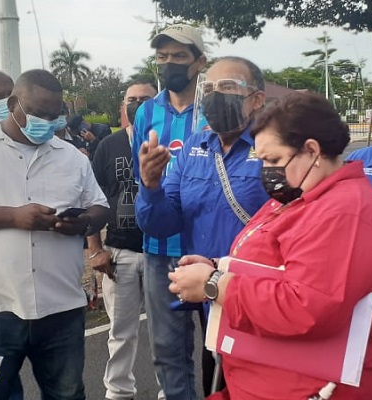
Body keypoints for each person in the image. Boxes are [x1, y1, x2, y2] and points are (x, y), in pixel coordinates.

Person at [168, 92, 372, 400]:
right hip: (267, 379)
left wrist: (214, 284)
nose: (266, 171)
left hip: (309, 387)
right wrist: (218, 266)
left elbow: (306, 306)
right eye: (262, 160)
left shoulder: (345, 210)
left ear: (312, 150)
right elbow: (276, 265)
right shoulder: (298, 198)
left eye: (274, 160)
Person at [0, 69, 110, 400]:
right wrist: (13, 216)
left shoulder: (70, 156)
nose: (46, 122)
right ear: (13, 103)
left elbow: (99, 206)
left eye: (54, 117)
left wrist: (82, 223)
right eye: (38, 113)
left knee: (67, 394)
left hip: (62, 308)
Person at [136, 56, 270, 394]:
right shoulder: (196, 146)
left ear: (256, 99)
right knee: (217, 375)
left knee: (262, 382)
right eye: (208, 88)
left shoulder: (275, 149)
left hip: (260, 296)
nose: (214, 95)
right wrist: (150, 187)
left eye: (227, 87)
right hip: (211, 296)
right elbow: (162, 224)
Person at [130, 24, 207, 400]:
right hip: (161, 250)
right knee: (167, 350)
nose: (169, 64)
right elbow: (141, 178)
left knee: (221, 345)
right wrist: (151, 176)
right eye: (162, 58)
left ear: (199, 63)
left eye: (179, 57)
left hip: (211, 247)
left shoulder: (215, 110)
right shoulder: (146, 112)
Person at [88, 78, 159, 400]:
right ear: (123, 108)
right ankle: (118, 391)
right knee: (121, 331)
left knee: (167, 332)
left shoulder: (172, 142)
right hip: (120, 253)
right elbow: (91, 198)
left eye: (146, 99)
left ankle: (169, 389)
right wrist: (95, 251)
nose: (138, 104)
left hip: (163, 253)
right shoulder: (109, 146)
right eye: (132, 99)